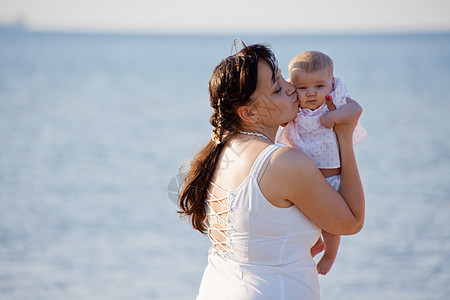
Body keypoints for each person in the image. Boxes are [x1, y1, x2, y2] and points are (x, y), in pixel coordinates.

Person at [178, 43, 365, 300]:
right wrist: (344, 137)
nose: (291, 88)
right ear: (249, 113)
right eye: (277, 89)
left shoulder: (220, 149)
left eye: (282, 78)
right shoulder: (284, 162)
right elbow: (352, 221)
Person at [277, 50, 367, 275]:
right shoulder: (295, 106)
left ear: (331, 82)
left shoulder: (333, 100)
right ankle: (315, 243)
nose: (311, 93)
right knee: (305, 216)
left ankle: (329, 254)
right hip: (307, 178)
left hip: (332, 176)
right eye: (303, 88)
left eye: (319, 86)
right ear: (292, 86)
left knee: (331, 222)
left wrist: (334, 117)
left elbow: (356, 109)